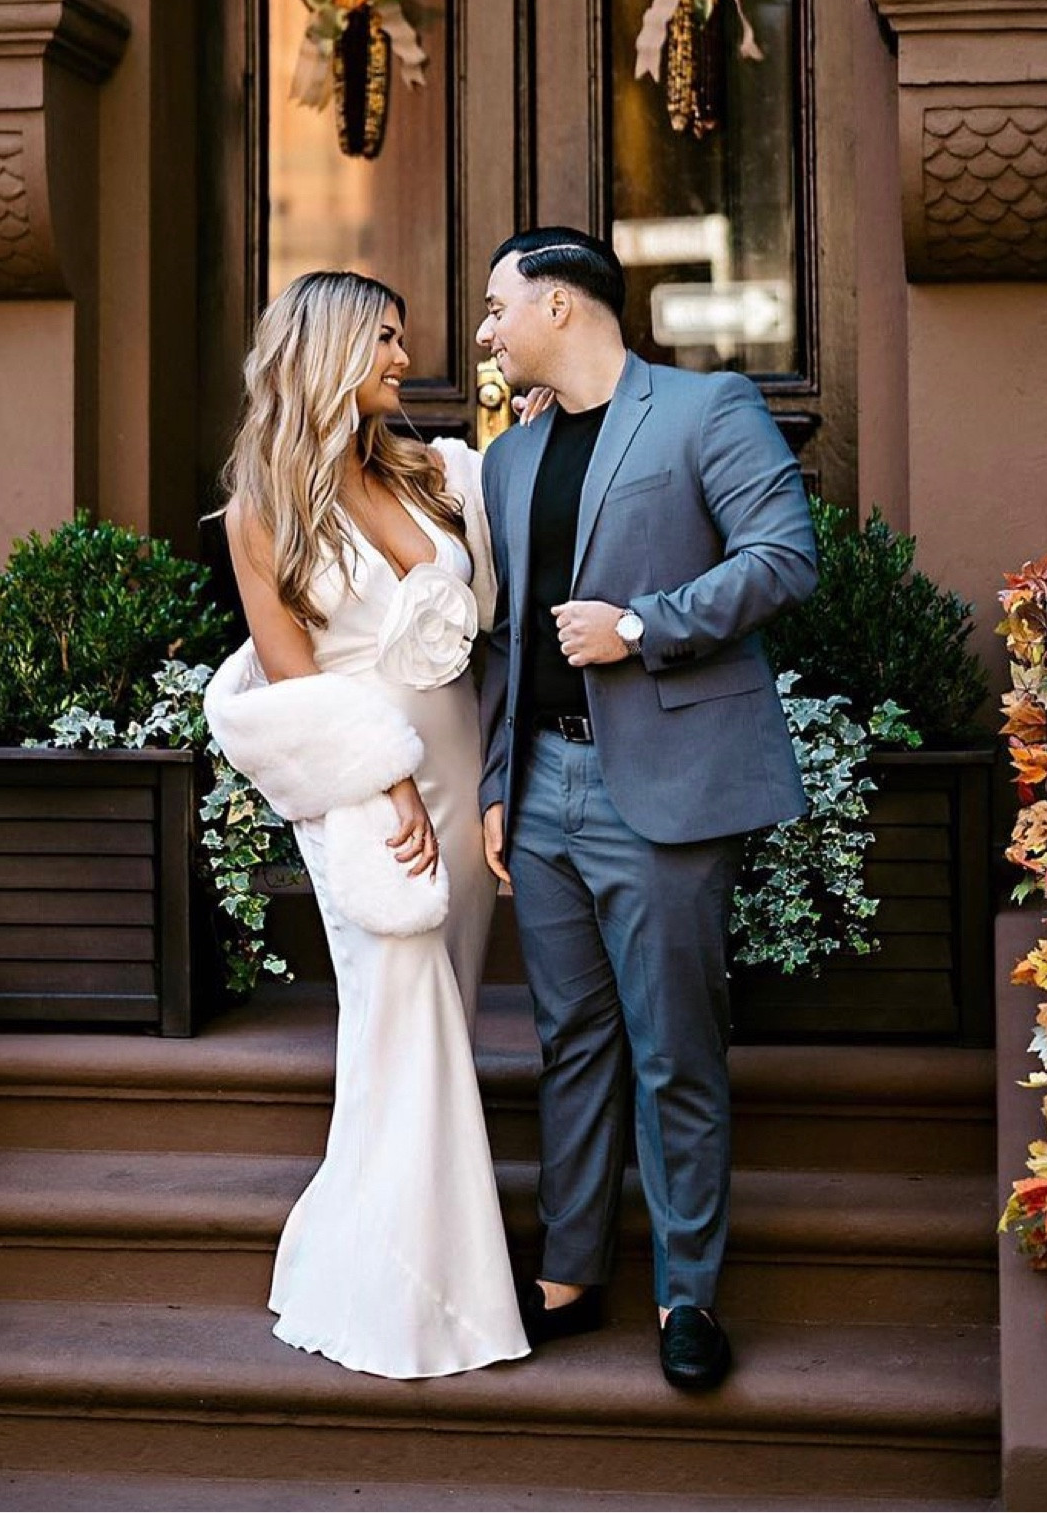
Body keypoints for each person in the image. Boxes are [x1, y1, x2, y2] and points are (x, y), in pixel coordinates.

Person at [474, 226, 817, 1393]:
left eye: (496, 306)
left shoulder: (705, 408)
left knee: (675, 1051)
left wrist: (641, 624)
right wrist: (494, 787)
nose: (484, 330)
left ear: (560, 307)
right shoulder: (509, 461)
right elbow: (508, 643)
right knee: (569, 1043)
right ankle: (568, 1274)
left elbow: (784, 556)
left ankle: (687, 1293)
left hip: (663, 789)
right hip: (543, 793)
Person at [203, 269, 529, 1380]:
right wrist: (385, 783)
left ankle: (400, 1250)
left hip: (458, 756)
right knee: (401, 1019)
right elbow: (295, 681)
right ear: (333, 349)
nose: (404, 357)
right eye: (386, 339)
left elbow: (487, 601)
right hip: (361, 788)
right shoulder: (262, 508)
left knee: (445, 1008)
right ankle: (417, 1295)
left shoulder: (433, 472)